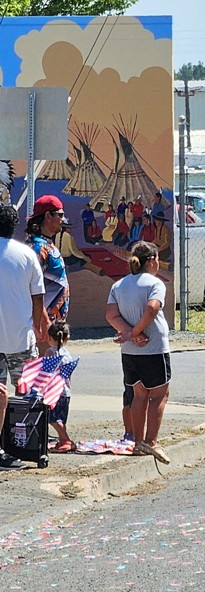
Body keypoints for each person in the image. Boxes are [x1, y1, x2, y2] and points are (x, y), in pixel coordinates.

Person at [105, 241, 171, 464]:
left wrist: (130, 333)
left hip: (130, 351)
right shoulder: (155, 283)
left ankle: (137, 442)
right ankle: (151, 442)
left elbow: (111, 315)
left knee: (139, 394)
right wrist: (136, 331)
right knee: (159, 394)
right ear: (152, 260)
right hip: (154, 348)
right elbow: (152, 308)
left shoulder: (119, 285)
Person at [0, 202, 46, 470]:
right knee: (28, 393)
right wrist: (39, 326)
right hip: (20, 336)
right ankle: (26, 444)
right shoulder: (27, 255)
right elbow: (37, 295)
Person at [25, 195, 69, 336]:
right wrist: (45, 323)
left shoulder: (46, 244)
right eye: (60, 215)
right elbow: (32, 289)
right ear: (48, 216)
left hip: (53, 323)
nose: (63, 220)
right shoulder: (38, 248)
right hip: (45, 327)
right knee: (44, 358)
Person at [45, 322, 76, 453]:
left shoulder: (50, 352)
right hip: (65, 392)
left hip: (55, 392)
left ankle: (65, 440)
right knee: (60, 418)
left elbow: (46, 372)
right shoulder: (66, 353)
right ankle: (64, 440)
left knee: (53, 418)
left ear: (49, 337)